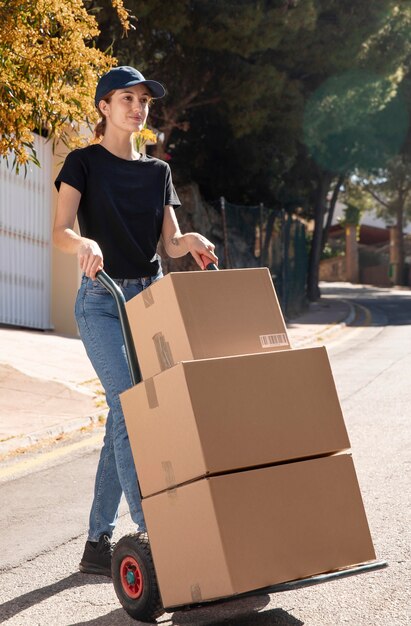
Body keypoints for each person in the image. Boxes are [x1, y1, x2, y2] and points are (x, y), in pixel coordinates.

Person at [53, 66, 218, 576]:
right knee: (131, 409)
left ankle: (97, 544)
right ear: (103, 106)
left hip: (148, 302)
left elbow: (167, 243)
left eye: (144, 100)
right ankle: (155, 533)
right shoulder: (82, 164)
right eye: (127, 98)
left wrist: (187, 241)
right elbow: (60, 230)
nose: (138, 107)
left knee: (125, 416)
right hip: (101, 301)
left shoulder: (158, 172)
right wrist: (84, 242)